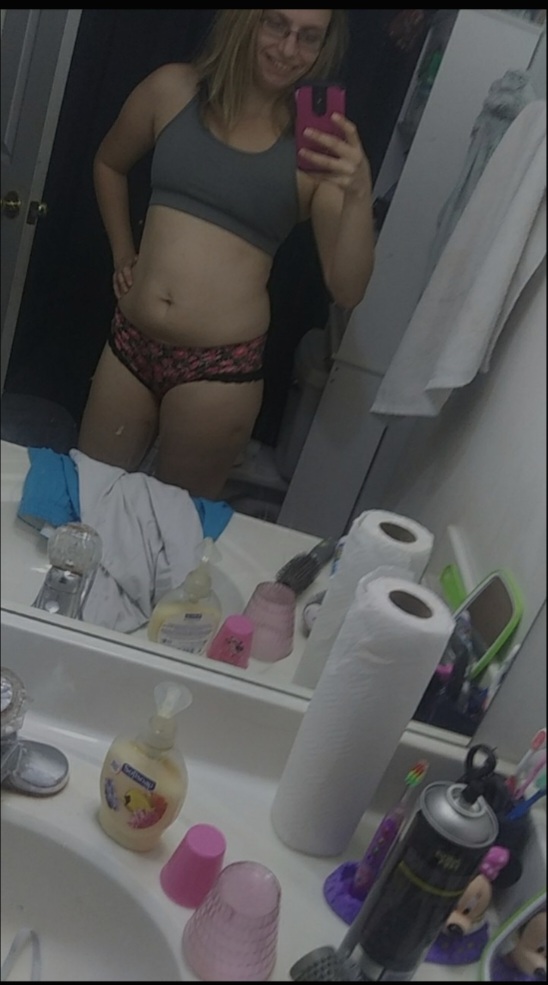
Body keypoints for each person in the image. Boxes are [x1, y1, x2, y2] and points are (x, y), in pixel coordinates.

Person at [78, 9, 375, 498]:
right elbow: (109, 163)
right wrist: (122, 253)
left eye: (309, 37)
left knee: (173, 529)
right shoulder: (172, 89)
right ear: (247, 20)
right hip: (129, 342)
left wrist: (359, 193)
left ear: (324, 49)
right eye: (276, 24)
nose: (288, 49)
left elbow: (348, 288)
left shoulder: (315, 149)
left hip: (219, 370)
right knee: (89, 500)